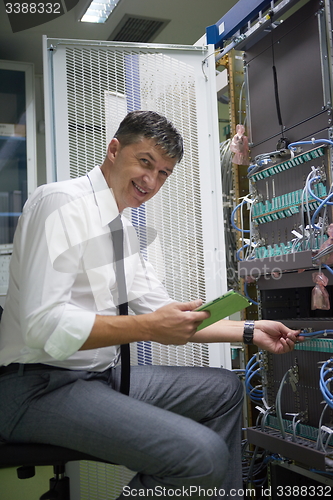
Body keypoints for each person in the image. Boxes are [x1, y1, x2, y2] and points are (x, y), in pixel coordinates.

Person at [0, 111, 301, 499]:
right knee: (202, 456)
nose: (151, 181)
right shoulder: (62, 203)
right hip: (36, 387)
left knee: (226, 389)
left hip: (97, 378)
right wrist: (148, 328)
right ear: (114, 150)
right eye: (145, 162)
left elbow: (166, 314)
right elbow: (43, 325)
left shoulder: (120, 227)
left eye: (163, 173)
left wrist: (249, 330)